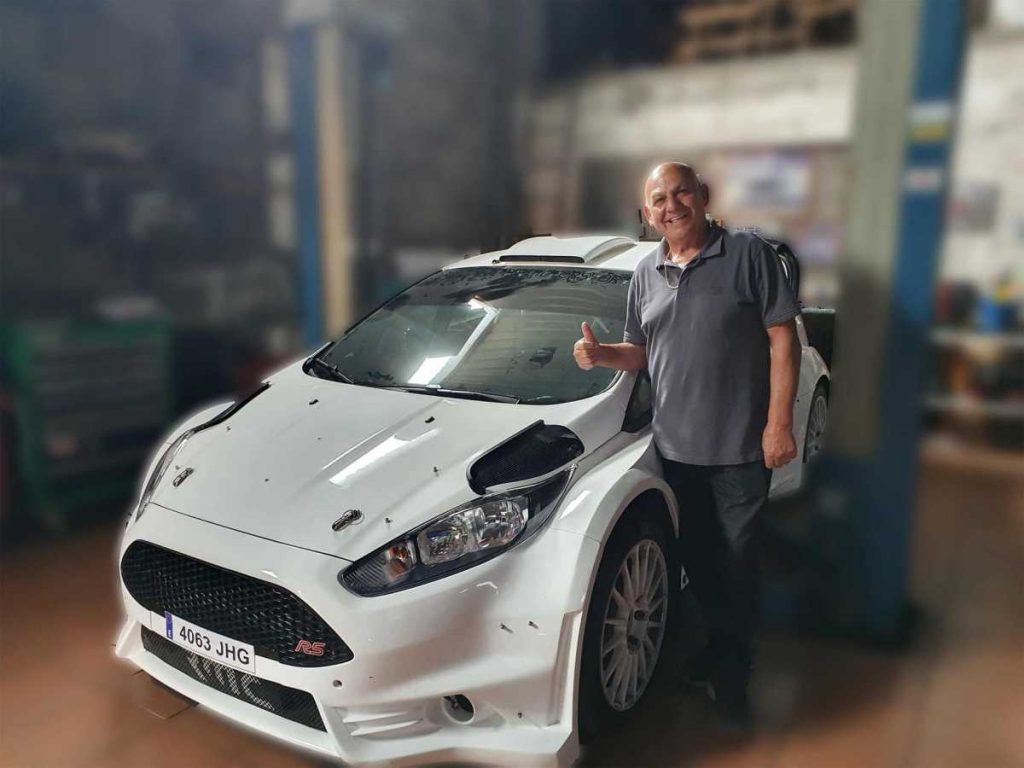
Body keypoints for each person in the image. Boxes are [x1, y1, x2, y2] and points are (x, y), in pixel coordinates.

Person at [573, 161, 801, 725]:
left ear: (703, 196)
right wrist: (603, 355)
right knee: (699, 563)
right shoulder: (645, 274)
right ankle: (716, 652)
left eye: (680, 194)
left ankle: (733, 678)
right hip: (675, 452)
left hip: (741, 450)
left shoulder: (748, 256)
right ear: (647, 215)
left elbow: (783, 339)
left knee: (737, 565)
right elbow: (642, 351)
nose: (671, 206)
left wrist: (777, 425)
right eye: (659, 200)